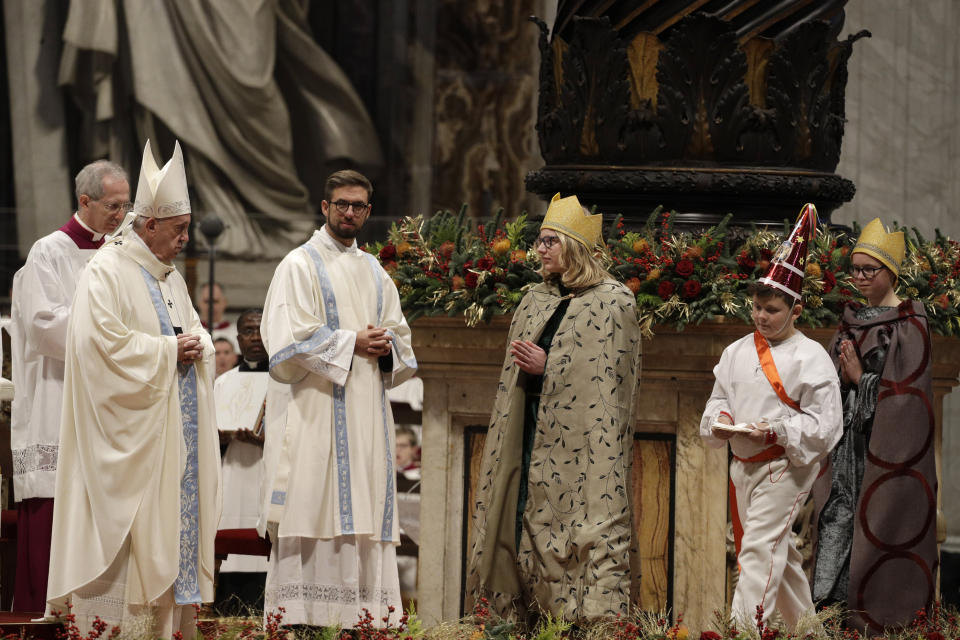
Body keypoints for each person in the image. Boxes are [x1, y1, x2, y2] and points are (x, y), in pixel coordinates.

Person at [46, 140, 220, 636]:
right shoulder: (106, 272)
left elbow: (195, 330)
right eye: (179, 229)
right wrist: (170, 352)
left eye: (187, 228)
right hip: (130, 447)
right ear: (149, 226)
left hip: (173, 443)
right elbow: (98, 348)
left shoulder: (169, 277)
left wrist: (197, 345)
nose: (185, 239)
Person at [466, 193, 642, 624]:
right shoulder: (534, 299)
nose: (540, 249)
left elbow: (612, 382)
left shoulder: (613, 302)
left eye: (550, 241)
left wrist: (552, 367)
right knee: (514, 519)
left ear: (575, 247)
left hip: (580, 451)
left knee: (582, 528)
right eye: (539, 241)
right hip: (526, 436)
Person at [259, 169, 417, 629]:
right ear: (324, 207)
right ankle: (304, 619)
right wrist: (353, 342)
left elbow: (400, 336)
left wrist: (387, 347)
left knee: (363, 502)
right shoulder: (298, 265)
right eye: (342, 204)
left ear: (368, 212)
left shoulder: (374, 271)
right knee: (315, 500)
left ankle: (362, 620)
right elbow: (286, 340)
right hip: (315, 413)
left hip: (367, 414)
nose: (350, 213)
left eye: (359, 206)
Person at [700, 204, 842, 629]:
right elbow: (718, 398)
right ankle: (808, 633)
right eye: (757, 309)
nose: (761, 317)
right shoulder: (736, 351)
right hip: (741, 465)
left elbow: (827, 425)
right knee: (782, 555)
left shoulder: (811, 357)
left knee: (758, 551)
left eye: (772, 311)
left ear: (796, 310)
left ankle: (743, 632)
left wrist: (778, 428)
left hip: (785, 466)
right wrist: (721, 418)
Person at [9, 159, 130, 612]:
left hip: (109, 402)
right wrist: (115, 337)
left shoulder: (120, 251)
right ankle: (48, 615)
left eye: (126, 205)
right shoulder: (50, 252)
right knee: (56, 509)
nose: (121, 215)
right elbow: (44, 327)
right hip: (58, 396)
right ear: (85, 201)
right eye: (114, 205)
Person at [812, 219, 936, 632]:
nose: (861, 277)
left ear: (891, 273)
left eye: (870, 270)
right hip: (845, 446)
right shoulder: (850, 321)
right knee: (836, 520)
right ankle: (829, 615)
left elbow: (907, 402)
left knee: (877, 526)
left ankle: (878, 620)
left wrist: (858, 381)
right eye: (856, 269)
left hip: (884, 454)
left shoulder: (910, 324)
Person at [214, 309, 271, 615]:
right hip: (231, 471)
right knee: (229, 533)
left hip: (266, 472)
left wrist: (264, 440)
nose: (256, 336)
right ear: (238, 339)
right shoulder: (223, 383)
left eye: (261, 330)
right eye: (248, 331)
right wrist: (220, 439)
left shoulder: (284, 380)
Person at [199, 282, 239, 351]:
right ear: (199, 303)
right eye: (206, 301)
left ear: (225, 302)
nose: (210, 306)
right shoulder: (191, 332)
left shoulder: (237, 333)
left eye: (215, 301)